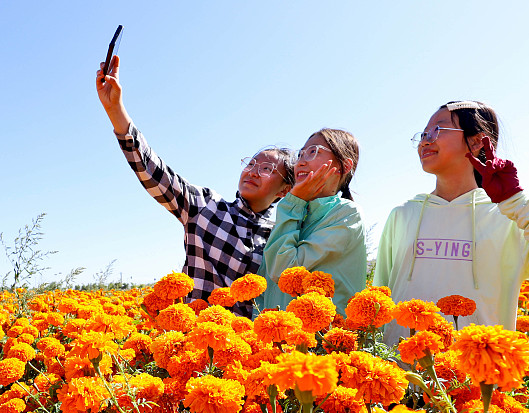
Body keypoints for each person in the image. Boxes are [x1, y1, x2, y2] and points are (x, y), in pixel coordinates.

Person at [373, 100, 529, 345]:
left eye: (439, 129)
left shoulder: (509, 215)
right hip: (402, 373)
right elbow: (380, 291)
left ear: (477, 141)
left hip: (478, 375)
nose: (425, 140)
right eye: (424, 133)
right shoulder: (403, 215)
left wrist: (516, 202)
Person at [96, 55, 294, 317]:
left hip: (252, 350)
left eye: (267, 169)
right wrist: (115, 110)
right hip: (198, 344)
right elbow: (156, 173)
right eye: (251, 163)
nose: (253, 172)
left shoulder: (282, 233)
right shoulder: (206, 208)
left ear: (283, 191)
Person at [256, 128, 367, 315]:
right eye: (300, 154)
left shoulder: (346, 214)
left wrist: (293, 203)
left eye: (313, 152)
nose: (301, 161)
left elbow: (284, 272)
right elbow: (264, 288)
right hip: (278, 339)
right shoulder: (297, 212)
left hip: (320, 342)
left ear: (345, 166)